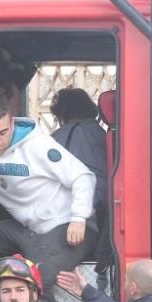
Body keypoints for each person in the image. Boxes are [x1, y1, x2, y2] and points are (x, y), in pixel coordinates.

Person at [0, 93, 97, 302]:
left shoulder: (38, 146)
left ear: (12, 124)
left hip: (69, 226)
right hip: (28, 229)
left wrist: (79, 217)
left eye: (2, 132)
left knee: (36, 279)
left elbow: (83, 176)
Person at [51, 88, 109, 217]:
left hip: (80, 208)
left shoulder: (65, 134)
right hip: (105, 203)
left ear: (63, 112)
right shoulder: (100, 132)